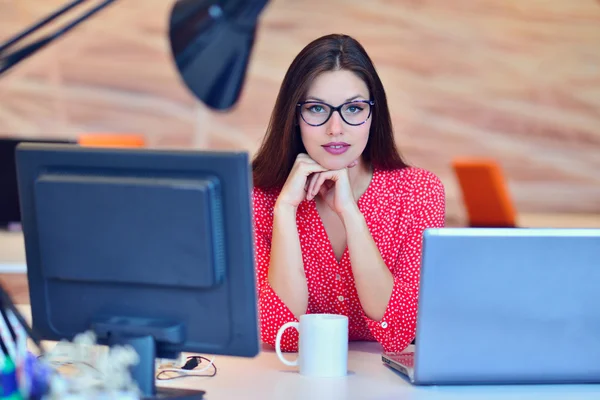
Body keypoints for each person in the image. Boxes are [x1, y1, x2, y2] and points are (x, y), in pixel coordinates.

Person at [251, 33, 445, 353]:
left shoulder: (419, 193)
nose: (336, 128)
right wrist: (285, 209)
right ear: (294, 117)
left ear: (373, 114)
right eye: (316, 109)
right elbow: (281, 334)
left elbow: (399, 332)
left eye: (353, 108)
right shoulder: (260, 198)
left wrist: (351, 214)